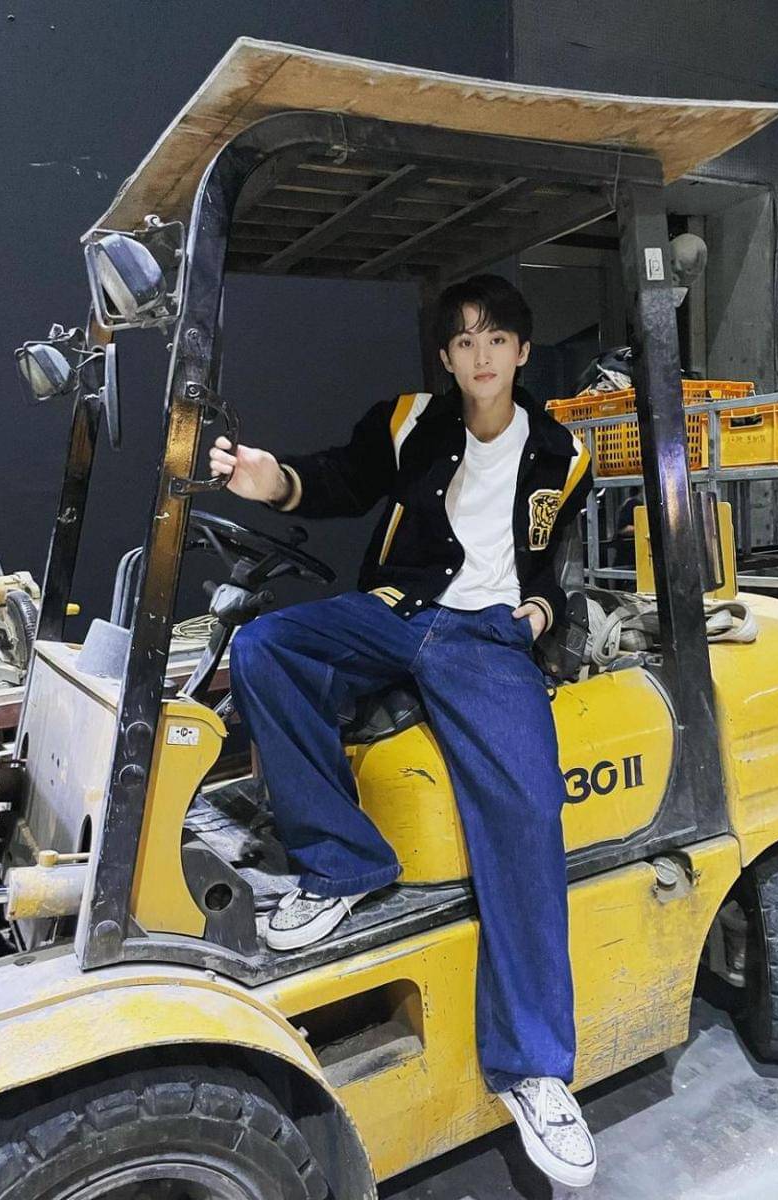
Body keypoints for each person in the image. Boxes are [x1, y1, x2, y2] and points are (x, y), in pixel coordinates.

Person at [209, 274, 596, 1188]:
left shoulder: (563, 453)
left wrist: (538, 616)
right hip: (399, 610)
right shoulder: (412, 420)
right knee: (264, 647)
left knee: (527, 810)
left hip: (488, 637)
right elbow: (339, 480)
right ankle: (346, 862)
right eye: (463, 341)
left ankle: (535, 1068)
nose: (480, 355)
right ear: (447, 357)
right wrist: (273, 481)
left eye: (495, 339)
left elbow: (551, 565)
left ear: (522, 352)